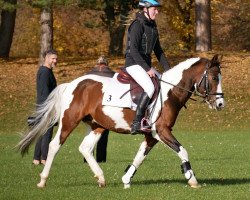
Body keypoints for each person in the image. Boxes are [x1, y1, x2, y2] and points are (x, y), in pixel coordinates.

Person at [124, 0, 170, 134]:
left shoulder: (152, 26)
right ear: (146, 9)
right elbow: (133, 50)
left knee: (163, 82)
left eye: (157, 9)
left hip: (144, 65)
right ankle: (137, 122)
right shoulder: (137, 25)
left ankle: (153, 118)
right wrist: (147, 69)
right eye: (154, 9)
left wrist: (169, 70)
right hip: (133, 63)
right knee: (150, 87)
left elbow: (159, 51)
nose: (157, 11)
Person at [32, 49, 58, 165]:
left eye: (56, 58)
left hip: (43, 106)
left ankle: (37, 159)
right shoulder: (45, 72)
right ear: (46, 58)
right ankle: (43, 159)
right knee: (46, 133)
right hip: (45, 106)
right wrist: (49, 107)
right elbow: (44, 92)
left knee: (42, 132)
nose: (55, 61)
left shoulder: (46, 71)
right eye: (53, 58)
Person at [85, 55, 111, 162]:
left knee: (89, 134)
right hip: (104, 107)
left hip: (89, 108)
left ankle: (87, 158)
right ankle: (101, 159)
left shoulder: (88, 75)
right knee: (103, 135)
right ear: (106, 63)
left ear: (97, 63)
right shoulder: (111, 74)